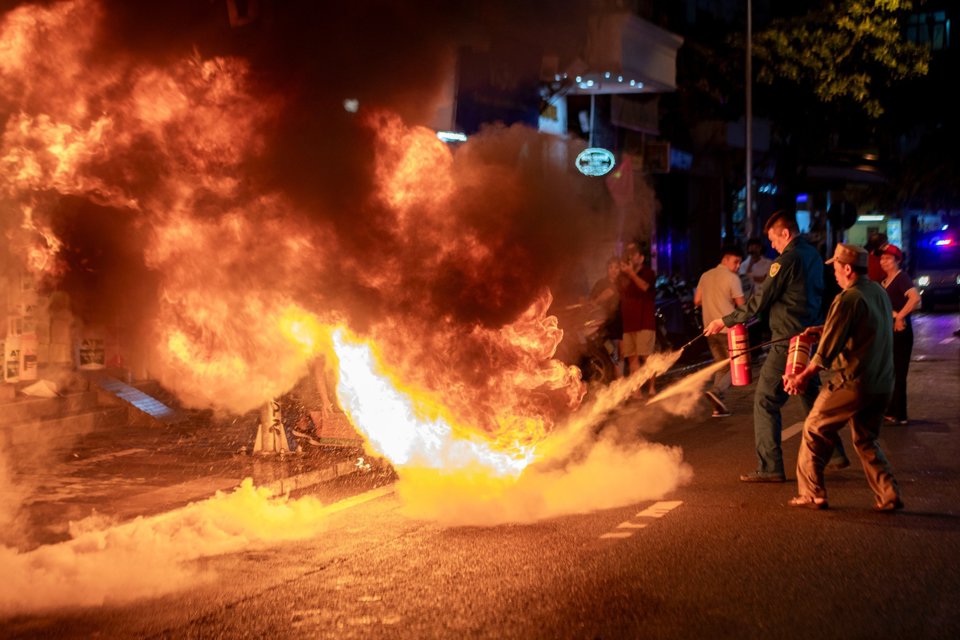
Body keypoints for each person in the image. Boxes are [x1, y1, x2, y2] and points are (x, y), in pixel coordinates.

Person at [704, 210, 847, 482]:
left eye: (773, 239)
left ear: (785, 233)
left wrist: (724, 321)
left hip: (787, 340)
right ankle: (836, 452)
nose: (772, 245)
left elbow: (760, 302)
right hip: (808, 336)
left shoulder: (787, 260)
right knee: (809, 395)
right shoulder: (813, 255)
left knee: (766, 400)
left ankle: (770, 467)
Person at [783, 243, 903, 511]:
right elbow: (856, 324)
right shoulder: (877, 292)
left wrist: (802, 376)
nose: (834, 274)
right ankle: (888, 494)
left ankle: (813, 493)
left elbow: (825, 352)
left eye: (836, 268)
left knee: (814, 429)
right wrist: (823, 328)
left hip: (853, 382)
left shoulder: (847, 298)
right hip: (882, 383)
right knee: (865, 439)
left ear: (847, 269)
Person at [694, 244, 746, 417]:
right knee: (737, 363)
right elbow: (742, 306)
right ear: (725, 259)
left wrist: (713, 301)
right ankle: (717, 391)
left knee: (722, 366)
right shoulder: (732, 278)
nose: (738, 266)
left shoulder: (705, 275)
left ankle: (718, 407)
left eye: (740, 263)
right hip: (728, 328)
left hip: (710, 328)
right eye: (736, 262)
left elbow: (697, 300)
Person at [878, 243, 921, 425]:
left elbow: (915, 298)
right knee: (889, 371)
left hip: (900, 332)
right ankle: (890, 411)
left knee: (899, 371)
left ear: (897, 261)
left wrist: (900, 316)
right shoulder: (883, 282)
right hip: (888, 332)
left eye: (888, 258)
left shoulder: (901, 278)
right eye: (882, 258)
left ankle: (900, 414)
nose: (884, 262)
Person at [618, 240, 657, 393]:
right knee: (632, 358)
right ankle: (637, 390)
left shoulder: (648, 273)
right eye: (628, 255)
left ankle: (652, 387)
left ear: (641, 258)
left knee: (646, 357)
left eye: (633, 255)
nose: (630, 258)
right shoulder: (624, 276)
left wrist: (631, 274)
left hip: (645, 323)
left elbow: (645, 287)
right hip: (628, 324)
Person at [588, 256, 624, 377]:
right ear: (607, 269)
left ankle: (621, 380)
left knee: (622, 354)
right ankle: (617, 380)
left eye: (616, 268)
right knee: (613, 353)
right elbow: (591, 301)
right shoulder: (601, 283)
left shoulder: (623, 283)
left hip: (622, 323)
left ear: (620, 269)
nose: (613, 270)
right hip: (606, 325)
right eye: (611, 267)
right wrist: (597, 300)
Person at [739, 237, 773, 348]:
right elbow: (743, 279)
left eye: (756, 246)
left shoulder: (768, 263)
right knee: (753, 326)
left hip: (765, 300)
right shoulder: (744, 264)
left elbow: (766, 279)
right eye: (751, 246)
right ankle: (756, 348)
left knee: (766, 325)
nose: (754, 249)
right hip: (750, 300)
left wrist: (752, 277)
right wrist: (750, 267)